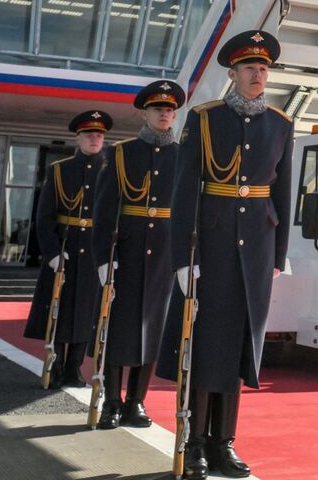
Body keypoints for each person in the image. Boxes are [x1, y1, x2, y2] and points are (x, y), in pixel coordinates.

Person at [158, 31, 292, 480]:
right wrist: (183, 256)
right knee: (205, 346)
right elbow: (184, 191)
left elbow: (283, 192)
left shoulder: (280, 122)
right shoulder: (204, 118)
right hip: (211, 248)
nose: (259, 74)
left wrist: (280, 254)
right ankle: (194, 441)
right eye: (250, 68)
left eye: (264, 68)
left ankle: (223, 443)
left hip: (256, 248)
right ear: (232, 75)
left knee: (239, 348)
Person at [90, 79, 186, 430]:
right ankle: (112, 402)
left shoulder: (183, 155)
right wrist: (104, 258)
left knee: (153, 330)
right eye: (158, 108)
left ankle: (137, 402)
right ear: (144, 113)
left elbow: (189, 210)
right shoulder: (121, 152)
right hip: (126, 253)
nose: (165, 113)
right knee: (119, 328)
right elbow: (103, 210)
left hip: (165, 254)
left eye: (170, 109)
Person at [23, 110, 111, 388]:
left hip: (95, 250)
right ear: (78, 138)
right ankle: (57, 364)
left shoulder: (111, 171)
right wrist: (51, 253)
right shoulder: (60, 170)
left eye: (99, 135)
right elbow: (45, 216)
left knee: (88, 311)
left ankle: (74, 367)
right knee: (59, 309)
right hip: (66, 248)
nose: (94, 139)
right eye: (89, 135)